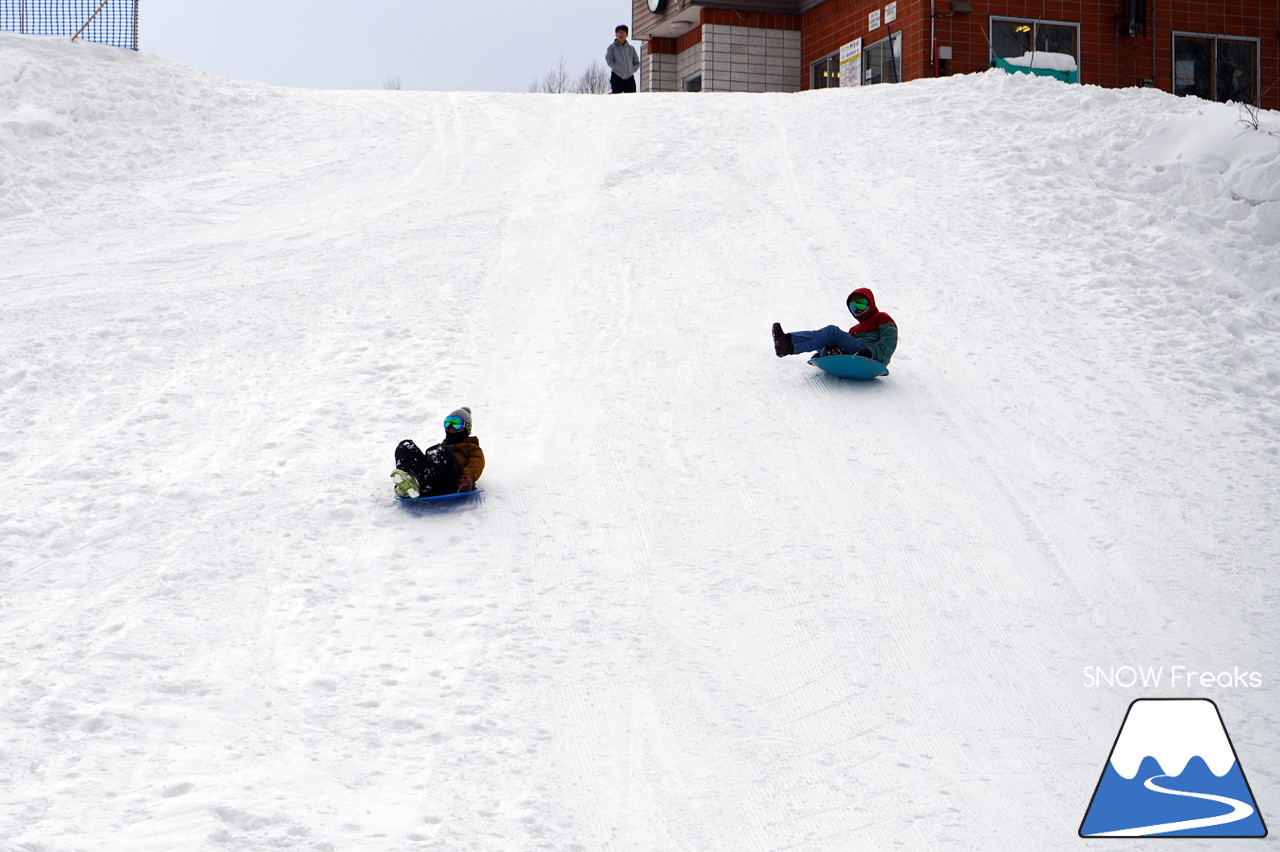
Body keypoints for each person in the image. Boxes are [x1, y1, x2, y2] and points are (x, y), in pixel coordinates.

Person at [772, 288, 898, 364]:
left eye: (861, 304)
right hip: (856, 355)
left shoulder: (882, 318)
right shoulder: (854, 330)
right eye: (854, 307)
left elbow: (888, 344)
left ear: (871, 303)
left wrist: (871, 351)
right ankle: (826, 353)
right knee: (822, 340)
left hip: (872, 356)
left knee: (831, 332)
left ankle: (788, 343)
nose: (858, 310)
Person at [391, 407, 485, 498]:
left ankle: (424, 486)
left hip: (454, 484)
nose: (451, 427)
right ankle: (409, 480)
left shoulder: (473, 448)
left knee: (438, 451)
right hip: (431, 480)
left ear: (466, 427)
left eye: (456, 424)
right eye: (448, 423)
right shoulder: (442, 449)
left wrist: (467, 478)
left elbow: (476, 465)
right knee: (406, 445)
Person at [606, 25, 640, 94]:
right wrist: (617, 68)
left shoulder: (631, 48)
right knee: (617, 98)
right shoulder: (612, 47)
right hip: (617, 76)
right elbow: (609, 61)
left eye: (623, 32)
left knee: (631, 98)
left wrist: (632, 69)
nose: (621, 34)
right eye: (619, 32)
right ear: (616, 34)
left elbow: (637, 62)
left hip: (629, 77)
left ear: (626, 35)